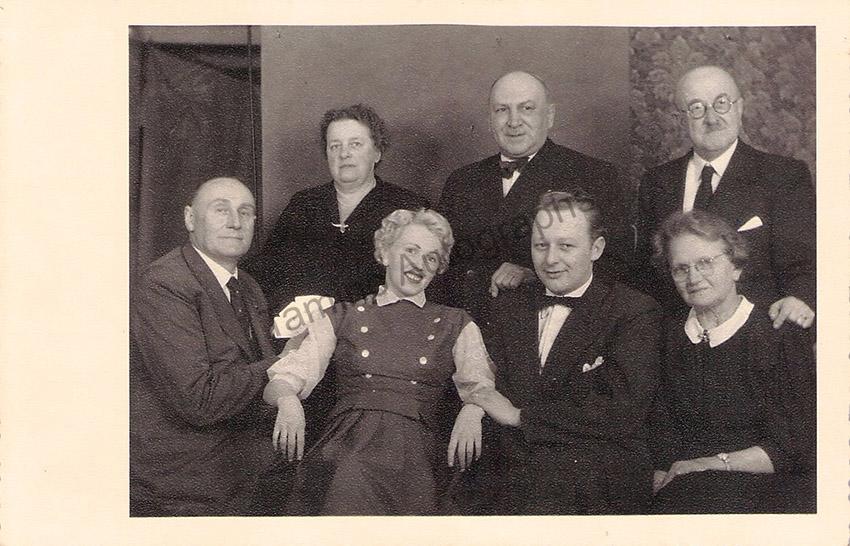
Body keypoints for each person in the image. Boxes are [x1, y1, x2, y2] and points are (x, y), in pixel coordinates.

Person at [262, 208, 498, 515]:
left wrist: (472, 411)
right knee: (350, 478)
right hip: (349, 446)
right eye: (410, 250)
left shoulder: (456, 322)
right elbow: (283, 379)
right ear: (385, 253)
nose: (419, 264)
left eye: (431, 257)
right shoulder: (341, 316)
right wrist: (288, 402)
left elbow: (482, 385)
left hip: (418, 456)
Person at [471, 190, 661, 514]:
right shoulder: (508, 306)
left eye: (566, 246)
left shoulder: (634, 311)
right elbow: (492, 383)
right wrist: (472, 408)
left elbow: (620, 411)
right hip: (512, 469)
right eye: (540, 246)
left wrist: (520, 417)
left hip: (592, 475)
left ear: (596, 248)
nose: (550, 260)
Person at [649, 210, 815, 513]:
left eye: (705, 263)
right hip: (683, 486)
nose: (693, 278)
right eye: (681, 269)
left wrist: (709, 464)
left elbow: (794, 447)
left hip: (763, 486)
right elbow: (661, 431)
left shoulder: (777, 334)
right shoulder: (667, 335)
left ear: (736, 267)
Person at [130, 177, 279, 516]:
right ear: (190, 218)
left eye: (245, 212)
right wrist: (283, 363)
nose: (235, 222)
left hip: (242, 471)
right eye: (220, 210)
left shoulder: (248, 287)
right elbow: (200, 400)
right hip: (181, 485)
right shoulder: (164, 283)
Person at [636, 65, 815, 330]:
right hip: (674, 337)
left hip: (757, 333)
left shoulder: (783, 176)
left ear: (739, 108)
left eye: (721, 103)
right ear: (680, 119)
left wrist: (800, 299)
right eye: (697, 108)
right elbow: (646, 273)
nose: (712, 118)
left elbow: (802, 264)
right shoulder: (656, 182)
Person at [437, 71, 621, 325]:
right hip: (469, 325)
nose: (514, 122)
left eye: (527, 108)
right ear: (490, 119)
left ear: (549, 116)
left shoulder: (594, 175)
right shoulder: (461, 181)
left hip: (550, 325)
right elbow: (441, 265)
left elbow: (615, 266)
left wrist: (537, 274)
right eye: (502, 110)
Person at [243, 103, 425, 312]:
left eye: (355, 144)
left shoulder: (407, 207)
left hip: (377, 324)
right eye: (335, 146)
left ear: (377, 152)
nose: (344, 154)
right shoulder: (303, 204)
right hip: (303, 325)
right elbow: (268, 270)